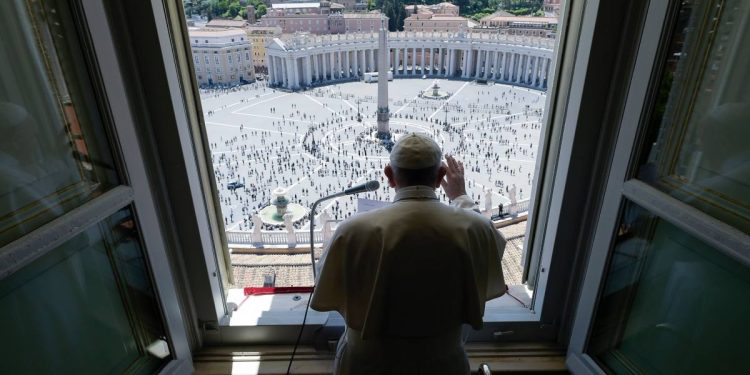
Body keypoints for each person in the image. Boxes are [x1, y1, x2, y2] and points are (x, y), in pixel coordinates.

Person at [311, 133, 507, 374]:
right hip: (443, 365)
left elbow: (326, 286)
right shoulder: (474, 228)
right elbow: (492, 253)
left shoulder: (352, 230)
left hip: (367, 365)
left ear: (389, 176)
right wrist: (461, 198)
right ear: (440, 177)